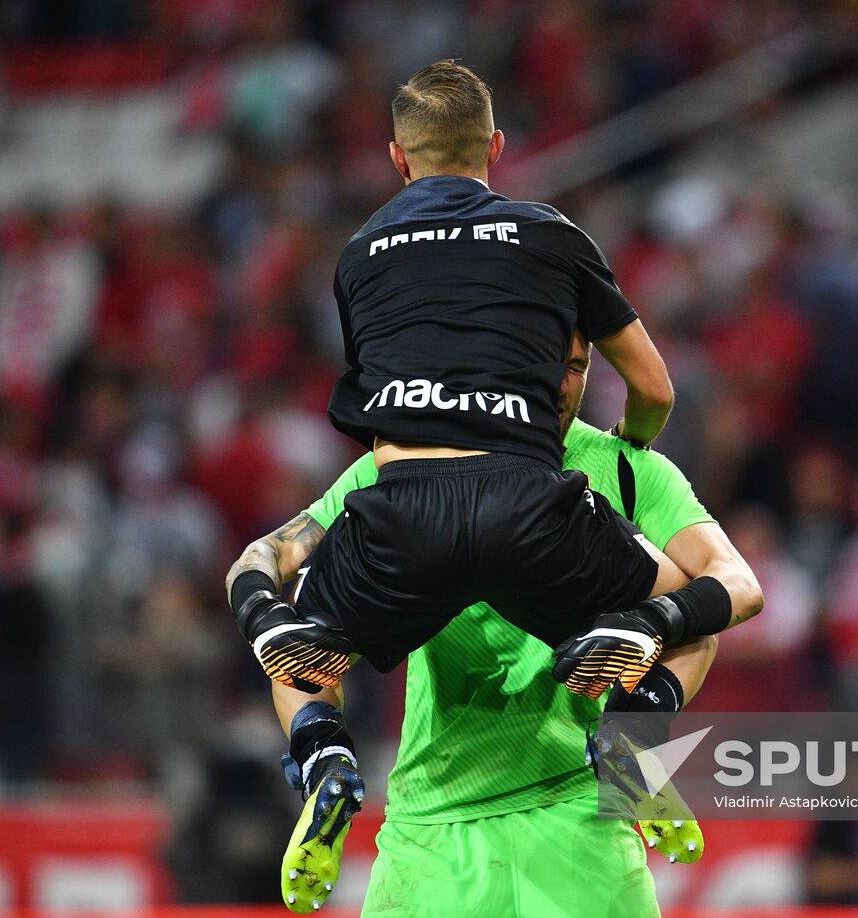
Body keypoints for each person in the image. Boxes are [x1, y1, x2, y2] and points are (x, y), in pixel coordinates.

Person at [227, 60, 758, 708]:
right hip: (528, 504)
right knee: (703, 604)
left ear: (398, 158)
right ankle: (637, 709)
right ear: (497, 147)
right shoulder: (552, 235)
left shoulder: (358, 254)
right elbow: (654, 389)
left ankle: (315, 742)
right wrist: (629, 445)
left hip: (399, 517)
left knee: (299, 642)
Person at [230, 331, 763, 914]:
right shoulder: (623, 470)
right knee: (690, 611)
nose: (563, 385)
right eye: (548, 363)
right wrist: (659, 618)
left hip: (497, 820)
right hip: (491, 824)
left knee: (301, 642)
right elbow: (735, 583)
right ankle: (630, 736)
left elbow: (278, 572)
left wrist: (262, 614)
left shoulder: (406, 467)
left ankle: (324, 759)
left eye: (578, 368)